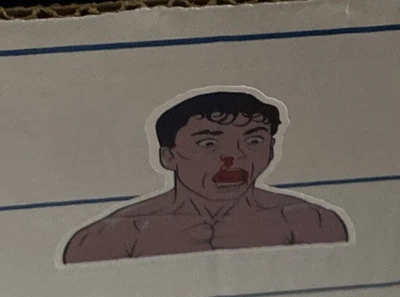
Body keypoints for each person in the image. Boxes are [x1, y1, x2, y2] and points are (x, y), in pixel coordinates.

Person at [62, 90, 348, 263]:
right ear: (169, 157)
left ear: (271, 150)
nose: (234, 156)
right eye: (209, 143)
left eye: (253, 141)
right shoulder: (111, 237)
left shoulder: (311, 221)